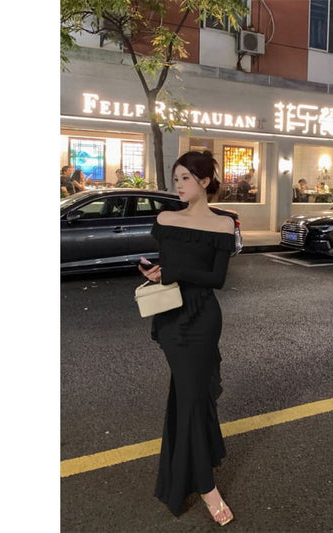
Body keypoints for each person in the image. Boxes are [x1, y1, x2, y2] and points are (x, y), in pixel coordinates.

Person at [138, 150, 236, 526]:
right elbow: (171, 267)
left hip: (204, 317)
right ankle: (206, 485)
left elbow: (217, 279)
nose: (177, 185)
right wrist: (158, 272)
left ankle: (194, 470)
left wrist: (173, 271)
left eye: (185, 178)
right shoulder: (166, 218)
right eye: (175, 178)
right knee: (191, 396)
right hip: (172, 319)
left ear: (205, 182)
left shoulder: (223, 223)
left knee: (192, 397)